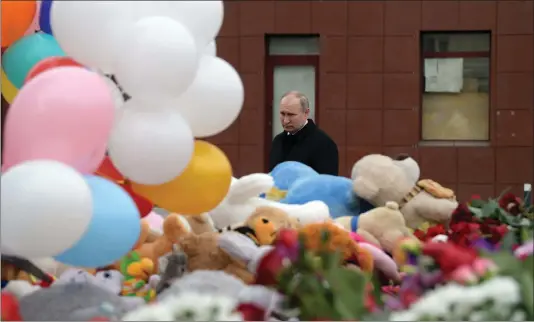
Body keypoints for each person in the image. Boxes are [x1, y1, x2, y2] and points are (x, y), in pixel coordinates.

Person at [268, 91, 339, 175]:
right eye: (282, 114)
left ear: (306, 113)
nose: (286, 120)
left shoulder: (324, 144)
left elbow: (326, 183)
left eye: (291, 115)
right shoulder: (277, 141)